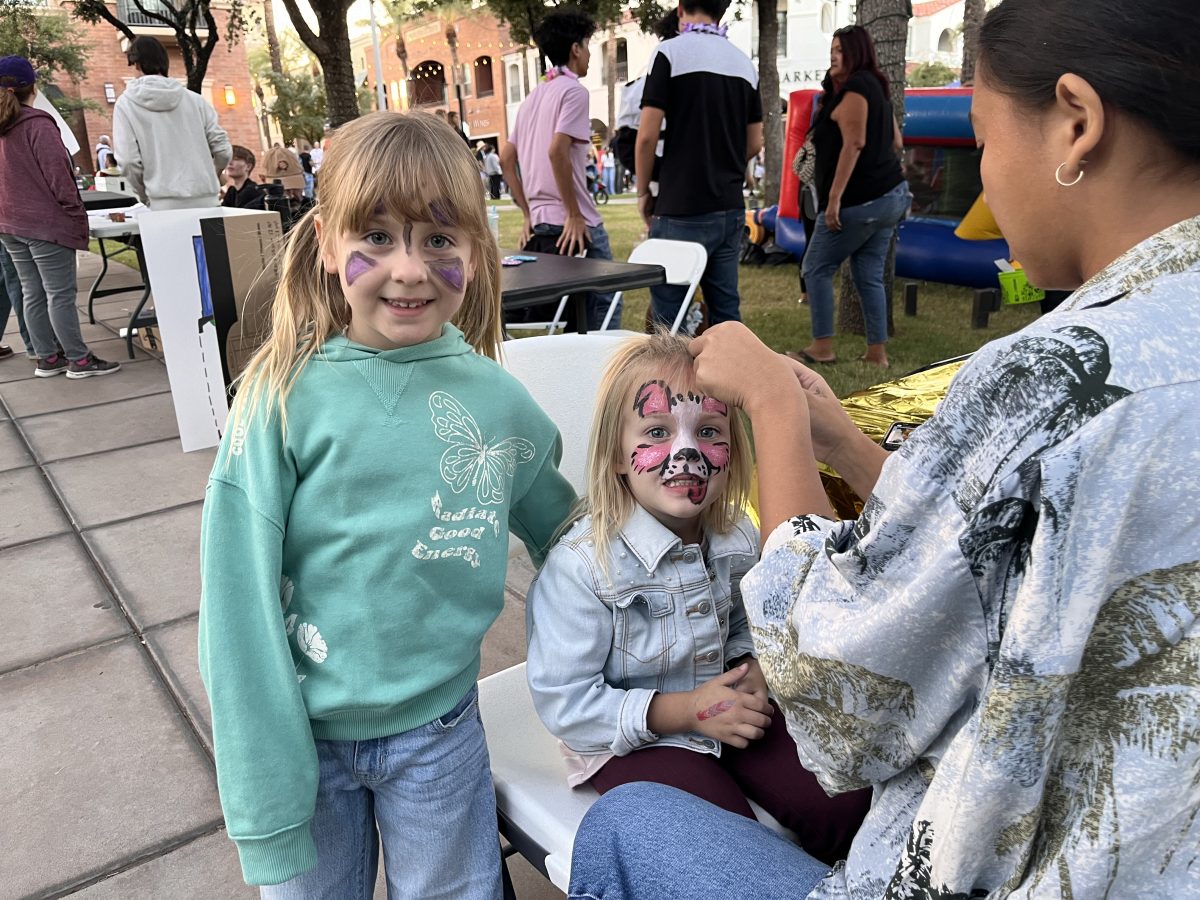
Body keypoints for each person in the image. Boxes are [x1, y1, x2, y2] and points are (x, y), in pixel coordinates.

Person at [567, 0, 1200, 897]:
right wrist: (847, 447)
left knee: (628, 827)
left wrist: (777, 410)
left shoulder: (1058, 374)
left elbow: (843, 697)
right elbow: (1015, 539)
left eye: (983, 137)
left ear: (1077, 121)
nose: (981, 182)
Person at [198, 110, 576, 896]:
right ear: (329, 244)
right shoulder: (279, 402)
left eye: (439, 239)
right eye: (376, 235)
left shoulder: (498, 404)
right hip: (307, 742)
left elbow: (573, 542)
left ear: (475, 251)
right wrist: (265, 797)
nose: (407, 269)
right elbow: (235, 611)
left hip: (439, 739)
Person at [526, 331, 870, 864]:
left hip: (730, 708)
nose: (685, 453)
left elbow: (744, 621)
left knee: (845, 801)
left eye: (708, 430)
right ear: (617, 454)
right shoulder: (580, 566)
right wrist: (687, 710)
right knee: (724, 846)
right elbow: (567, 704)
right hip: (632, 737)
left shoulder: (733, 536)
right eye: (658, 430)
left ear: (733, 453)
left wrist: (752, 664)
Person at [637, 0, 762, 330]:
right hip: (729, 206)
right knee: (726, 314)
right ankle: (728, 380)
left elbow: (647, 136)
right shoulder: (744, 64)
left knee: (669, 319)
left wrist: (642, 191)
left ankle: (671, 383)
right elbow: (755, 142)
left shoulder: (669, 53)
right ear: (721, 11)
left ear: (680, 8)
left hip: (680, 206)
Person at [793, 25, 909, 369]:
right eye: (831, 49)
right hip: (889, 198)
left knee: (815, 267)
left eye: (840, 50)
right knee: (868, 275)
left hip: (860, 202)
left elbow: (854, 143)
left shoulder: (858, 88)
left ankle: (822, 347)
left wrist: (834, 200)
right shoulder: (877, 88)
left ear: (856, 53)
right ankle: (877, 354)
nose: (833, 55)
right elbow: (897, 142)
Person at [0, 56, 120, 378]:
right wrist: (74, 214)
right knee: (58, 294)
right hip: (44, 224)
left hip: (9, 224)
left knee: (32, 292)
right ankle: (79, 360)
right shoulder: (37, 124)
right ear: (32, 87)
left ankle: (47, 358)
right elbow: (60, 178)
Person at [500, 8, 620, 331]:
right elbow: (557, 151)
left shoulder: (532, 98)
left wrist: (528, 212)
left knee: (571, 314)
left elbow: (506, 158)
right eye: (587, 45)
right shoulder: (574, 92)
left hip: (541, 227)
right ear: (575, 49)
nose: (590, 54)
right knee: (606, 303)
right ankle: (607, 378)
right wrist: (574, 213)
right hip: (575, 224)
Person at [112, 37, 231, 210]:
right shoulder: (196, 101)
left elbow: (129, 161)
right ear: (165, 62)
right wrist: (211, 176)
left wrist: (144, 195)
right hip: (207, 200)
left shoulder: (126, 105)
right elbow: (223, 151)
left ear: (136, 64)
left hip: (163, 202)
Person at [221, 145, 265, 209]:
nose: (230, 163)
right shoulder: (232, 191)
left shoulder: (252, 191)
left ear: (248, 167)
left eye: (235, 159)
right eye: (229, 158)